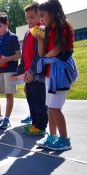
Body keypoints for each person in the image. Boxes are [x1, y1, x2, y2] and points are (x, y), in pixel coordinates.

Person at [35, 0, 78, 150]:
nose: (40, 19)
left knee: (55, 107)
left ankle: (65, 141)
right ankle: (52, 137)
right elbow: (42, 54)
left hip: (60, 72)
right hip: (50, 72)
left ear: (53, 13)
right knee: (50, 107)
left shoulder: (63, 26)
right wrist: (40, 39)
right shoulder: (48, 30)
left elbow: (58, 50)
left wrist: (45, 59)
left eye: (42, 15)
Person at [16, 2, 48, 135]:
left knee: (39, 101)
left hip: (37, 73)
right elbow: (25, 55)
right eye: (27, 18)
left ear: (39, 16)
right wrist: (21, 71)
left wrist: (31, 71)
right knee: (31, 100)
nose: (29, 20)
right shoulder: (28, 32)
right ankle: (35, 123)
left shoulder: (40, 30)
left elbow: (39, 54)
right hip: (28, 74)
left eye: (32, 17)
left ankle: (40, 126)